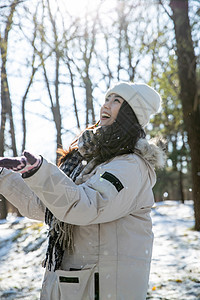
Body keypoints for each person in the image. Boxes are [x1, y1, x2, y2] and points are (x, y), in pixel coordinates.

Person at [0, 82, 166, 300]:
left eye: (117, 101)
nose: (106, 105)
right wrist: (7, 175)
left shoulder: (130, 166)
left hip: (103, 289)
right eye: (107, 99)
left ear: (131, 114)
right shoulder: (89, 161)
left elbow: (85, 206)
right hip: (73, 285)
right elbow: (47, 207)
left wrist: (41, 172)